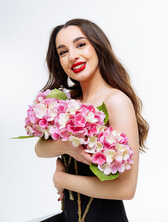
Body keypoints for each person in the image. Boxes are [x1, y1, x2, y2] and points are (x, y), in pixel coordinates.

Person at [35, 18, 149, 222]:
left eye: (80, 44)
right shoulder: (67, 101)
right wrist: (66, 146)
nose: (72, 56)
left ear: (98, 47)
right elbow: (39, 149)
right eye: (63, 52)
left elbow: (126, 189)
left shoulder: (116, 102)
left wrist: (62, 179)